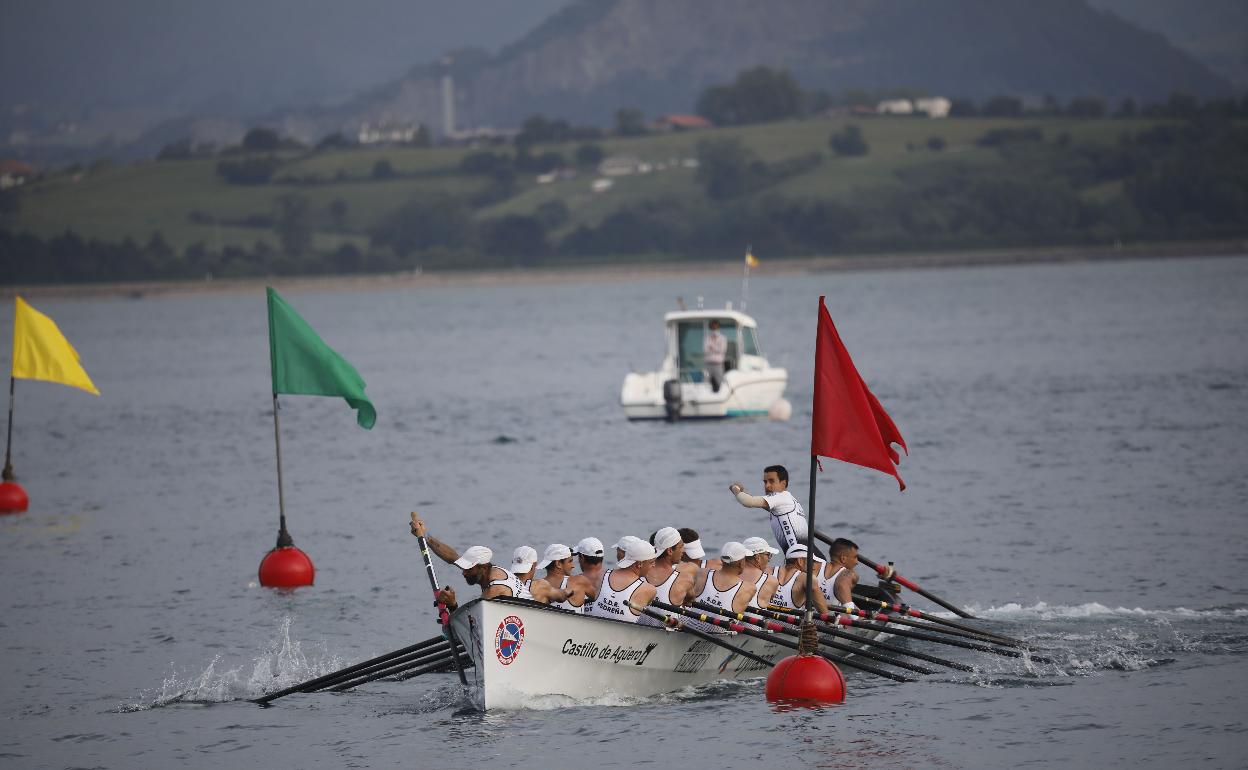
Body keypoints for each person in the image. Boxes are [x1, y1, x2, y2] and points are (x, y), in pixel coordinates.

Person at [410, 513, 524, 602]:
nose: (463, 573)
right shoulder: (491, 571)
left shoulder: (494, 589)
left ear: (483, 568)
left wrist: (452, 604)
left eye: (468, 569)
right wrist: (424, 536)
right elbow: (453, 558)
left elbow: (474, 626)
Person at [728, 465, 813, 554]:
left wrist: (735, 488)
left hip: (803, 559)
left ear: (783, 484)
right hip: (806, 555)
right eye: (765, 482)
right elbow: (753, 501)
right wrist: (742, 492)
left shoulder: (781, 497)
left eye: (771, 481)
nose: (767, 486)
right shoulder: (786, 500)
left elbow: (748, 501)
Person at [587, 539, 659, 622]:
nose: (654, 565)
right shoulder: (649, 589)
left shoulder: (602, 575)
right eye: (652, 562)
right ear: (639, 564)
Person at [688, 542, 756, 615]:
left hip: (690, 623)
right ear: (741, 563)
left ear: (722, 559)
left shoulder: (701, 573)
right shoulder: (750, 588)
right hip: (723, 626)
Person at [537, 543, 597, 613]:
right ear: (558, 564)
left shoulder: (537, 586)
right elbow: (601, 597)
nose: (573, 566)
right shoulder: (579, 582)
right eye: (570, 561)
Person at [645, 527, 697, 606]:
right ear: (669, 551)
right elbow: (690, 601)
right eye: (681, 547)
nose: (683, 551)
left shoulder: (639, 572)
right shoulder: (685, 579)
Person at [771, 544, 829, 613]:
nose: (813, 565)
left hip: (765, 621)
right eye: (811, 561)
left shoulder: (768, 571)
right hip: (789, 623)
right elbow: (823, 611)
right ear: (800, 561)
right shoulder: (807, 578)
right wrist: (829, 622)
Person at [740, 536, 780, 609]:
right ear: (757, 557)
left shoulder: (730, 573)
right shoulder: (771, 581)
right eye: (768, 555)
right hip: (752, 619)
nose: (769, 560)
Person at [823, 538, 861, 611]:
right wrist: (856, 618)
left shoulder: (816, 567)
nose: (857, 562)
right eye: (855, 557)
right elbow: (842, 585)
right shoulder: (848, 574)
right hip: (828, 620)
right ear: (843, 558)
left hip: (806, 617)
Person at [703, 319, 728, 393]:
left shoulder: (723, 338)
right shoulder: (707, 338)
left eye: (716, 328)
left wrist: (712, 347)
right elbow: (705, 350)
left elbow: (722, 350)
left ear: (718, 328)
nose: (714, 329)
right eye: (713, 328)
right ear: (710, 328)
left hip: (718, 364)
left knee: (721, 383)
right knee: (705, 382)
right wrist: (716, 348)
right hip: (708, 365)